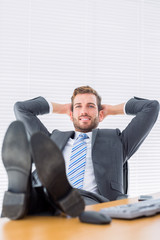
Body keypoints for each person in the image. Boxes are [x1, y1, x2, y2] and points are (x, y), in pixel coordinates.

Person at [1, 86, 159, 220]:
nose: (84, 111)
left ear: (100, 113)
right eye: (78, 106)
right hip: (49, 198)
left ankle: (51, 195)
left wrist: (112, 110)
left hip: (93, 202)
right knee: (35, 200)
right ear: (71, 113)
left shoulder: (118, 141)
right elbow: (21, 108)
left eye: (91, 106)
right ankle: (22, 190)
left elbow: (151, 107)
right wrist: (62, 108)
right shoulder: (52, 139)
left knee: (73, 202)